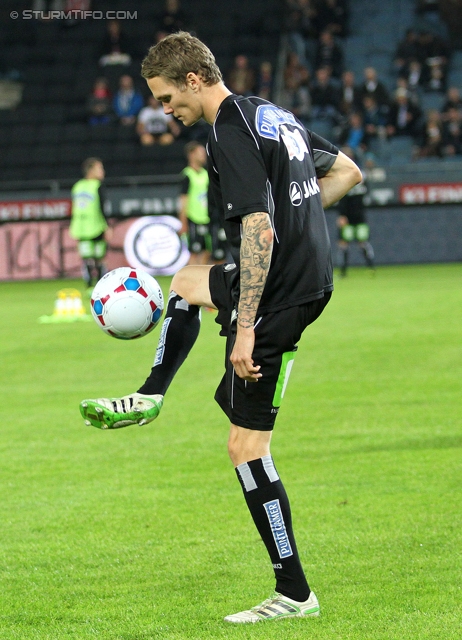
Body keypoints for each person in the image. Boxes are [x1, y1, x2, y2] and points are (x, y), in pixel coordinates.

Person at [80, 31, 361, 623]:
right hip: (301, 280)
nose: (164, 111)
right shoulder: (268, 114)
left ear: (192, 80)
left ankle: (294, 593)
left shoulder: (227, 129)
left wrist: (247, 327)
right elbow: (346, 172)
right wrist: (299, 222)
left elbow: (258, 229)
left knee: (246, 447)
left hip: (280, 296)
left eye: (164, 98)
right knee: (185, 282)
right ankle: (151, 393)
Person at [70, 158, 109, 290]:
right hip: (96, 226)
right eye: (100, 168)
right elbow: (103, 208)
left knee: (87, 259)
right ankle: (98, 286)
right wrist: (107, 226)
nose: (102, 172)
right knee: (98, 258)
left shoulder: (77, 186)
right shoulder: (98, 186)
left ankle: (89, 287)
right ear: (91, 171)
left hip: (81, 228)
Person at [336, 147, 375, 277]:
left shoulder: (343, 174)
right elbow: (366, 193)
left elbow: (342, 197)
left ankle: (343, 272)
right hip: (360, 215)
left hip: (348, 215)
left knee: (344, 243)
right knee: (362, 242)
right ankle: (371, 267)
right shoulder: (361, 174)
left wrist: (341, 214)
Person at [179, 141, 210, 265]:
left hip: (206, 217)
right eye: (200, 153)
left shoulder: (205, 173)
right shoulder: (187, 175)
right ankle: (190, 278)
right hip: (192, 217)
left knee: (207, 250)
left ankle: (199, 276)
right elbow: (183, 200)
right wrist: (183, 221)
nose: (204, 156)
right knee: (194, 251)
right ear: (191, 154)